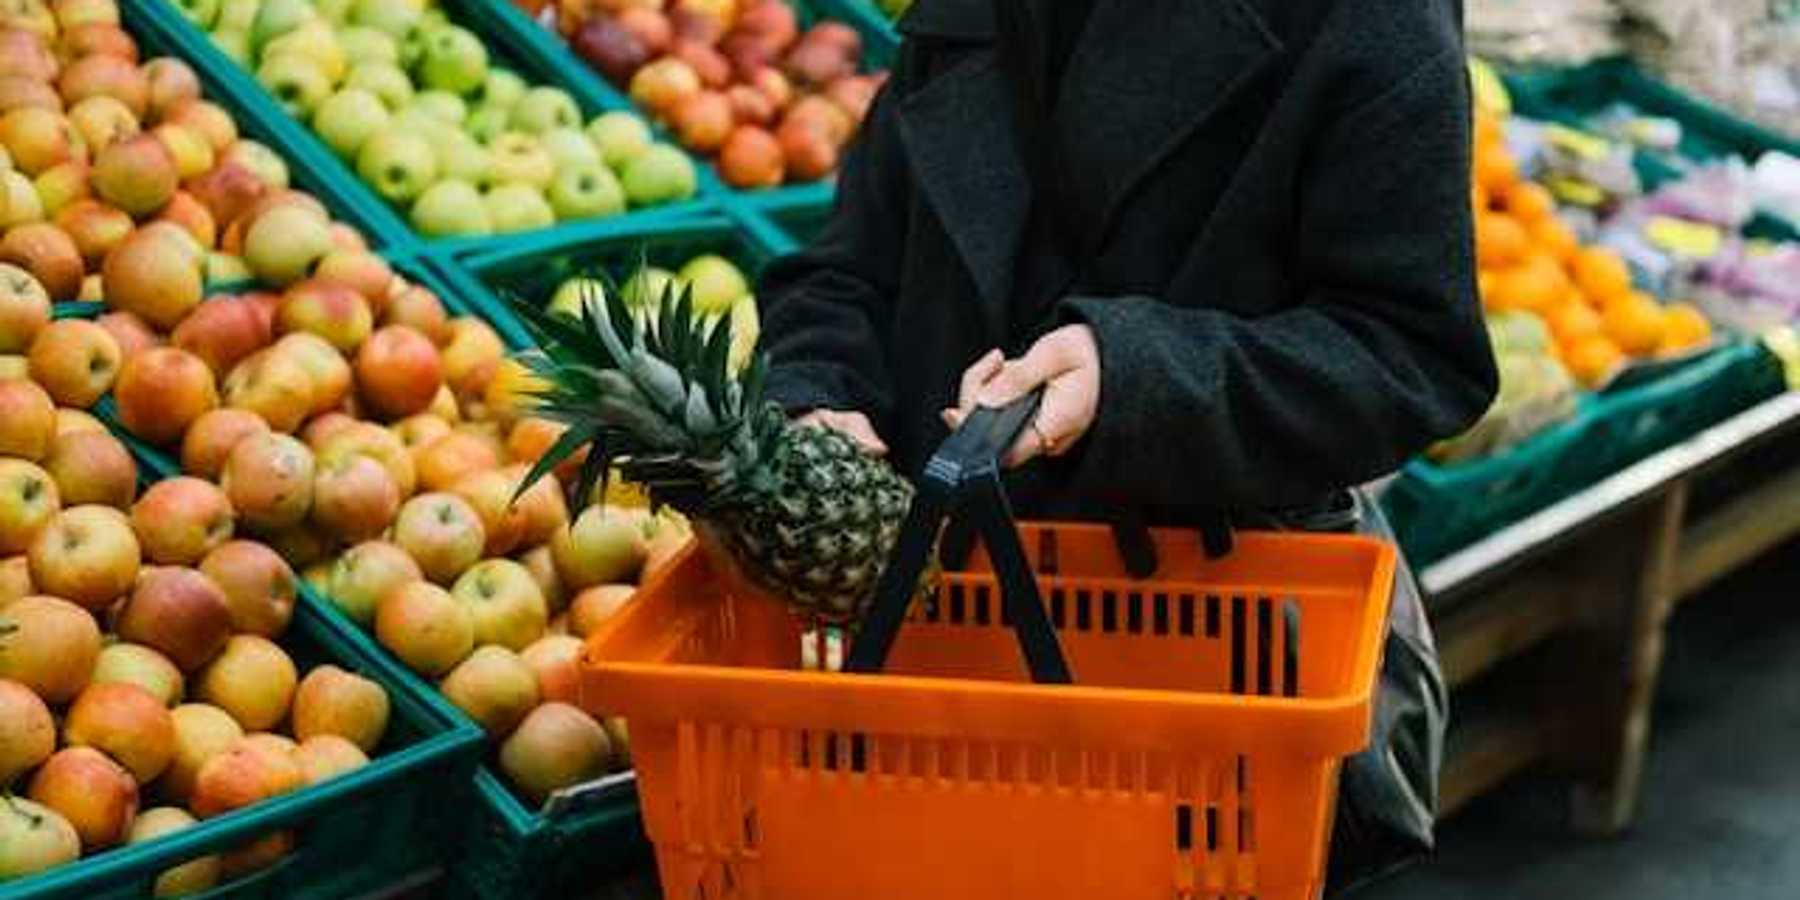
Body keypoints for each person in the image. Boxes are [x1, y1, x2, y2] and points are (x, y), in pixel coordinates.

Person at [756, 0, 1494, 890]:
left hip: (1200, 656)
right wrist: (816, 393)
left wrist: (1133, 376)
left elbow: (1411, 350)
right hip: (936, 645)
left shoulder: (1364, 22)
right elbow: (850, 266)